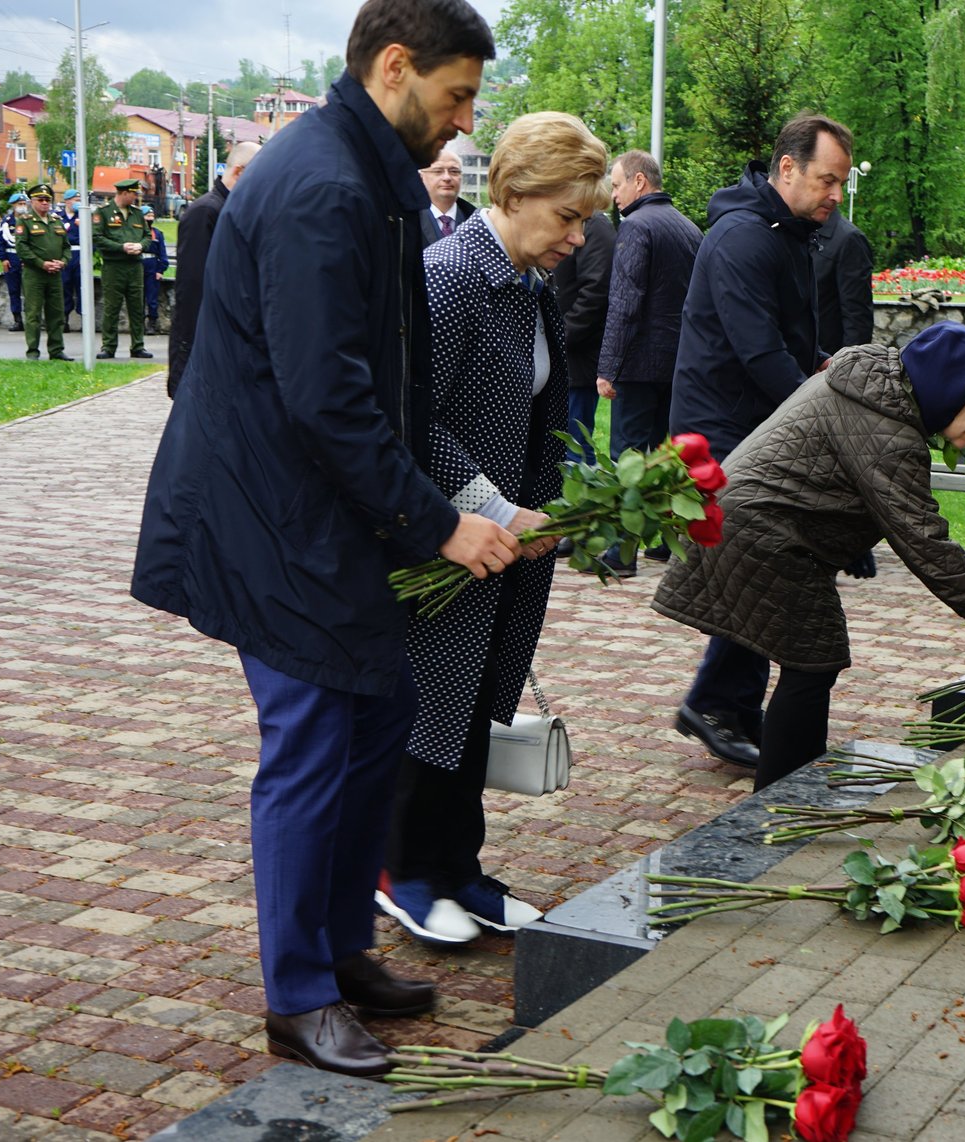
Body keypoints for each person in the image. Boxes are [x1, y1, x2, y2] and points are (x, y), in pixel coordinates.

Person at [131, 0, 515, 1077]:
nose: (461, 125)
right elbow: (327, 397)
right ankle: (298, 995)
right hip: (272, 514)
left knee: (379, 711)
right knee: (309, 742)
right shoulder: (321, 186)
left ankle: (342, 950)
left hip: (316, 509)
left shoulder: (363, 171)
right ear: (396, 67)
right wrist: (441, 525)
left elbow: (377, 382)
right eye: (455, 97)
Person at [654, 323, 965, 790]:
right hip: (760, 534)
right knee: (813, 660)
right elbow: (928, 546)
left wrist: (850, 538)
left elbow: (831, 475)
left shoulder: (872, 390)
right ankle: (781, 797)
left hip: (753, 526)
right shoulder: (889, 431)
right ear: (949, 388)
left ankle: (792, 781)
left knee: (813, 660)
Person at [376, 112, 605, 947]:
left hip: (508, 547)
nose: (577, 237)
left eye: (585, 220)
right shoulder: (449, 276)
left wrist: (562, 507)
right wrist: (494, 509)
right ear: (512, 192)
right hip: (451, 539)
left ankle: (460, 869)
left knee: (477, 700)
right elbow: (412, 418)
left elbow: (538, 415)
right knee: (435, 700)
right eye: (567, 217)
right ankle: (404, 870)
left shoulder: (530, 286)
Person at [668, 113, 855, 770]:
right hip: (718, 434)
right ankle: (718, 702)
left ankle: (728, 702)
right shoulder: (745, 238)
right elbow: (758, 352)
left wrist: (827, 363)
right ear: (787, 169)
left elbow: (788, 343)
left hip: (747, 425)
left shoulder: (785, 231)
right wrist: (823, 414)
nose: (835, 195)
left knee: (763, 567)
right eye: (826, 181)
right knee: (763, 566)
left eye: (841, 183)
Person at [595, 148, 702, 492]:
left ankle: (619, 547)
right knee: (662, 459)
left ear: (638, 181)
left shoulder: (636, 226)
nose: (613, 196)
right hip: (678, 366)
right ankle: (663, 545)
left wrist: (609, 368)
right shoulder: (690, 228)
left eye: (616, 185)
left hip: (638, 368)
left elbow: (625, 304)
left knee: (626, 459)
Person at [171, 140, 260, 395]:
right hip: (202, 345)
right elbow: (193, 287)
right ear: (239, 172)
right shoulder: (206, 212)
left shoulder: (228, 209)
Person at [550, 204, 614, 467]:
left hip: (576, 359)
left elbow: (596, 292)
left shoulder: (595, 225)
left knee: (574, 452)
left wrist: (561, 337)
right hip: (564, 356)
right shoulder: (577, 219)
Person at [92, 179, 155, 359]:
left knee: (136, 307)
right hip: (114, 266)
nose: (136, 197)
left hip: (134, 266)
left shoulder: (137, 214)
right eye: (134, 194)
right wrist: (122, 247)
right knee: (112, 307)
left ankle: (138, 346)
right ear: (124, 193)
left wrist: (141, 246)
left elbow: (146, 236)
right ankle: (109, 346)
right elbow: (97, 237)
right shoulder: (103, 212)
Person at [13, 184, 72, 361]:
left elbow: (67, 247)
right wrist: (41, 263)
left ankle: (56, 350)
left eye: (48, 200)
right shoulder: (25, 221)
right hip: (34, 274)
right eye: (41, 200)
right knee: (33, 314)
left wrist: (62, 262)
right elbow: (22, 248)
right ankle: (32, 351)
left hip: (55, 274)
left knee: (56, 313)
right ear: (33, 201)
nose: (45, 203)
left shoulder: (56, 221)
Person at [813, 210, 873, 352]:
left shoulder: (849, 238)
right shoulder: (796, 232)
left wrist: (845, 368)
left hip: (828, 361)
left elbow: (857, 320)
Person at [419, 145, 477, 246]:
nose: (447, 177)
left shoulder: (475, 221)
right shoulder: (408, 220)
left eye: (454, 171)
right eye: (438, 171)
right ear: (421, 177)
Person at [0, 193, 26, 332]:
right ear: (13, 205)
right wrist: (3, 259)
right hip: (11, 259)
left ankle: (33, 320)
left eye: (23, 203)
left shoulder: (30, 220)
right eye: (19, 203)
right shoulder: (6, 222)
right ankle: (17, 320)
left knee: (31, 292)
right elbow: (0, 241)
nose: (22, 205)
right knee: (14, 291)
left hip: (27, 260)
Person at [141, 206, 169, 334]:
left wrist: (160, 270)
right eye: (147, 216)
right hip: (138, 265)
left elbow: (162, 254)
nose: (150, 219)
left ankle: (152, 323)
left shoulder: (157, 233)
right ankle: (139, 324)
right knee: (137, 297)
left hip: (152, 266)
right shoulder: (136, 232)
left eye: (151, 216)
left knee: (152, 298)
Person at [59, 190, 83, 321]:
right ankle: (64, 318)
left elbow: (94, 237)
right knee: (64, 285)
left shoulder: (84, 216)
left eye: (79, 199)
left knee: (82, 287)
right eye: (75, 199)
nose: (77, 202)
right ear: (67, 201)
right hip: (64, 254)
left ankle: (84, 318)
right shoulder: (58, 217)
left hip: (80, 254)